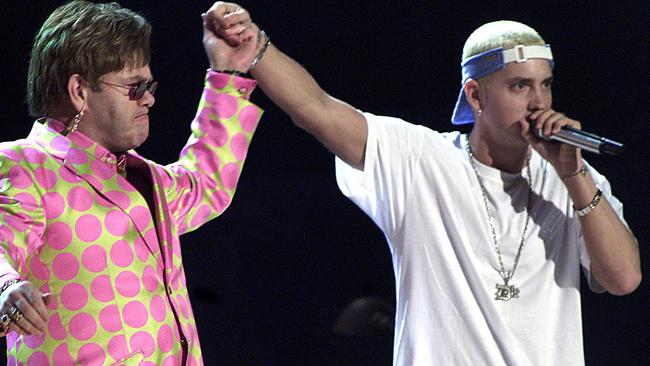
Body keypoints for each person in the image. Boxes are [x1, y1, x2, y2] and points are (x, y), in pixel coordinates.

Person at [204, 3, 642, 365]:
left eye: (545, 85)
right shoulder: (420, 158)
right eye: (520, 86)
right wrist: (255, 52)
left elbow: (623, 279)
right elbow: (318, 110)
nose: (539, 102)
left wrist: (574, 176)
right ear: (476, 96)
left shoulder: (574, 177)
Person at [0, 1, 267, 364]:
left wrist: (229, 73)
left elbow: (207, 184)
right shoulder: (25, 165)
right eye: (134, 87)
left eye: (149, 84)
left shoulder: (142, 176)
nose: (150, 98)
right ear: (80, 91)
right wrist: (6, 286)